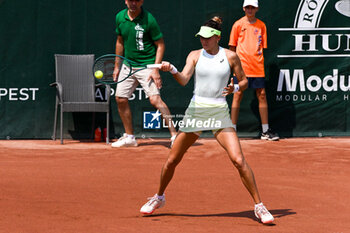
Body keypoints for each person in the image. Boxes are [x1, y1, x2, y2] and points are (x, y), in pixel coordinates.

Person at [139, 16, 274, 224]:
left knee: (238, 160)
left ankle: (259, 206)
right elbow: (184, 80)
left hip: (219, 110)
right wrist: (172, 70)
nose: (204, 41)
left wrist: (235, 88)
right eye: (201, 37)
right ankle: (159, 197)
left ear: (218, 37)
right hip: (197, 111)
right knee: (173, 160)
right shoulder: (194, 55)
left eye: (208, 37)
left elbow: (245, 81)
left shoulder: (230, 56)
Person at [111, 0, 176, 147]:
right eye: (130, 0)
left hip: (147, 65)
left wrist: (155, 69)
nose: (133, 3)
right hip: (128, 65)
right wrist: (117, 66)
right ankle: (130, 137)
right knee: (120, 98)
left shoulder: (149, 19)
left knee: (155, 100)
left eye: (137, 0)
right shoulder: (120, 17)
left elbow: (160, 44)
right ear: (125, 1)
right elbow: (119, 42)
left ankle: (174, 136)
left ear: (142, 1)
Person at [228, 0, 279, 141]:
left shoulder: (261, 25)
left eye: (252, 7)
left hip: (257, 67)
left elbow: (262, 47)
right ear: (244, 8)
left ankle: (265, 131)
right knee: (237, 94)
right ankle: (232, 130)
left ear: (257, 9)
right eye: (247, 7)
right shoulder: (237, 25)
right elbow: (232, 48)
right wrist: (233, 66)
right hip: (241, 67)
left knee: (262, 95)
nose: (250, 10)